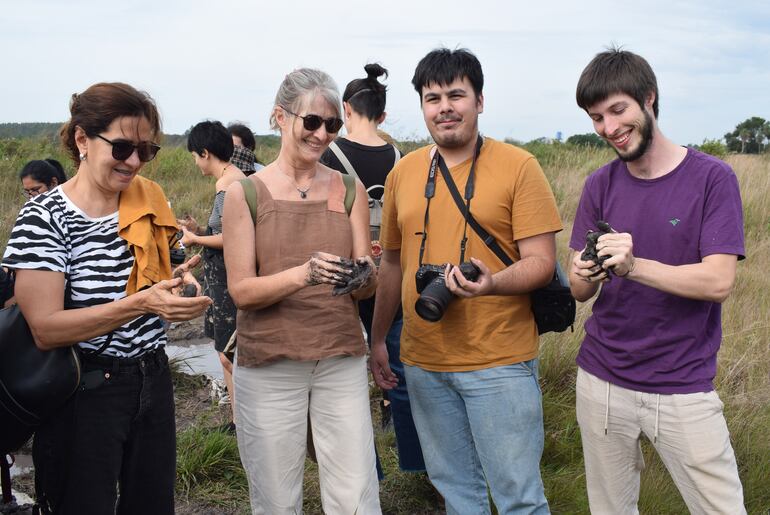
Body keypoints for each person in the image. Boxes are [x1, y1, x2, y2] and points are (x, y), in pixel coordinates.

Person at [1, 82, 212, 515]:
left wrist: (178, 283)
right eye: (121, 148)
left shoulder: (148, 200)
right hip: (84, 392)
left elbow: (157, 273)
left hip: (152, 377)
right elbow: (45, 329)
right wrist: (142, 303)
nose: (134, 162)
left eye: (145, 150)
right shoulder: (45, 219)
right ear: (82, 139)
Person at [370, 48, 561, 514]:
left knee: (519, 497)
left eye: (457, 94)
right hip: (423, 359)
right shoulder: (404, 172)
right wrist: (377, 340)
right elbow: (392, 264)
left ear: (479, 101)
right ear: (422, 106)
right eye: (432, 98)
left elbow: (541, 262)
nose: (444, 107)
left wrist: (492, 284)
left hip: (499, 360)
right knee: (457, 493)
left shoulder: (519, 166)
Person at [569, 48, 746, 514]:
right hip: (601, 381)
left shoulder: (712, 178)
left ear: (649, 99)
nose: (609, 128)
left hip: (683, 386)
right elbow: (580, 292)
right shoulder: (599, 185)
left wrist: (633, 266)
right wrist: (581, 272)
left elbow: (717, 281)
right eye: (596, 118)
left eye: (618, 110)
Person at [222, 68, 381, 514]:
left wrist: (366, 275)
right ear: (279, 116)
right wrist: (305, 275)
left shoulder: (348, 188)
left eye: (332, 125)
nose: (322, 134)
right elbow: (243, 292)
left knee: (356, 493)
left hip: (339, 358)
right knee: (275, 496)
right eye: (312, 122)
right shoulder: (246, 195)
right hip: (270, 362)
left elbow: (366, 280)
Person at [320, 63, 426, 475]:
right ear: (382, 114)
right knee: (398, 370)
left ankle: (370, 472)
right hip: (395, 272)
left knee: (348, 378)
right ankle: (417, 464)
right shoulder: (403, 157)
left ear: (346, 109)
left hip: (347, 276)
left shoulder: (331, 155)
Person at [178, 120, 246, 432]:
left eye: (194, 156)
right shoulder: (233, 180)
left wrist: (193, 240)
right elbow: (221, 233)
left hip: (229, 282)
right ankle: (238, 419)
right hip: (222, 278)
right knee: (226, 354)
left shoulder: (228, 185)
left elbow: (231, 239)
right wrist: (200, 232)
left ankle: (243, 420)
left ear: (205, 153)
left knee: (229, 354)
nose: (195, 163)